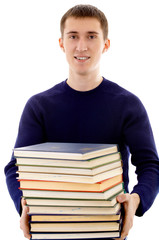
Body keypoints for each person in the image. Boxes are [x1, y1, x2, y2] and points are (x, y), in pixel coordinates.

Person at [4, 4, 159, 240]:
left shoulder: (128, 105)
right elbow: (15, 168)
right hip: (50, 231)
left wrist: (135, 200)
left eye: (92, 36)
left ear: (106, 44)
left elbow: (150, 166)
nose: (82, 46)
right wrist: (23, 204)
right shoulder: (38, 106)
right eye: (73, 36)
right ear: (61, 43)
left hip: (109, 232)